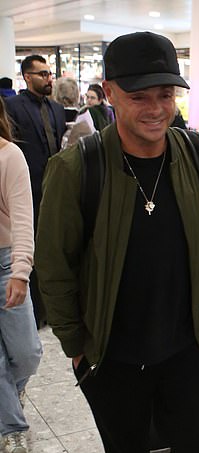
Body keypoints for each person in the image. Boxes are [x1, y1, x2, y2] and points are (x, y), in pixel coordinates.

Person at [35, 31, 199, 453]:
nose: (155, 107)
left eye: (166, 93)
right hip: (112, 347)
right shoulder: (78, 168)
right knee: (124, 443)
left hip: (186, 338)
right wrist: (77, 348)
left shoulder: (194, 155)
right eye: (140, 94)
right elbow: (55, 267)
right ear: (109, 94)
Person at [4, 55, 66, 329]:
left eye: (49, 74)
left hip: (55, 189)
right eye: (42, 74)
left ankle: (52, 309)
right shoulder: (13, 106)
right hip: (26, 188)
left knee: (54, 248)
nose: (48, 78)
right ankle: (36, 310)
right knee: (32, 246)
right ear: (27, 77)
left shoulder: (57, 109)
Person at [0, 97, 43, 453]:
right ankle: (12, 426)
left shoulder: (10, 155)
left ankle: (11, 394)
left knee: (27, 353)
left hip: (6, 262)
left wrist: (20, 271)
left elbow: (24, 218)